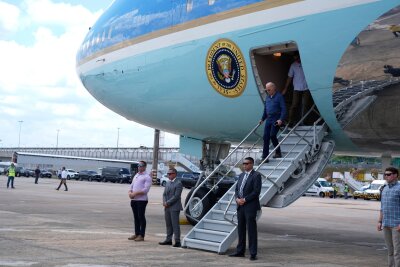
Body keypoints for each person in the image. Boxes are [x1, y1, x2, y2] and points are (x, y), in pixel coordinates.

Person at [229, 157, 262, 261]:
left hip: (250, 206)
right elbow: (237, 189)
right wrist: (237, 199)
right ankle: (240, 251)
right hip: (240, 206)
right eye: (243, 164)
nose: (244, 166)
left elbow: (256, 191)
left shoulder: (256, 175)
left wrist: (245, 199)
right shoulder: (241, 175)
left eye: (246, 164)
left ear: (252, 164)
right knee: (241, 229)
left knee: (251, 230)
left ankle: (253, 253)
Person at [378, 167, 400, 267]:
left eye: (389, 174)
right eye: (385, 174)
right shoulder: (384, 188)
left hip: (396, 225)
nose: (386, 176)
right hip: (386, 223)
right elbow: (382, 207)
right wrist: (379, 221)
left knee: (397, 251)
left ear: (395, 175)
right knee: (390, 250)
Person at [282, 52, 312, 127]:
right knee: (294, 104)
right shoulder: (293, 65)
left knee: (305, 105)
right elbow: (289, 77)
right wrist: (285, 88)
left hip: (307, 88)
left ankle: (304, 122)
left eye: (297, 58)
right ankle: (291, 122)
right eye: (295, 58)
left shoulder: (307, 63)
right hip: (296, 88)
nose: (296, 59)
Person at [259, 82, 287, 162]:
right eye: (266, 90)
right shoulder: (267, 97)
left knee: (272, 135)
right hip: (269, 118)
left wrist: (281, 119)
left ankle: (278, 152)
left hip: (276, 118)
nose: (267, 91)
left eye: (269, 89)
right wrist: (262, 119)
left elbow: (284, 109)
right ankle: (265, 157)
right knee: (265, 137)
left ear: (273, 88)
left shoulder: (279, 97)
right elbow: (265, 109)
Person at [128, 160, 152, 242]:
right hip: (134, 200)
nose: (139, 167)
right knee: (136, 217)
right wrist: (130, 193)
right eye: (138, 165)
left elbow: (145, 190)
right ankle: (137, 233)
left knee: (141, 217)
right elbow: (131, 185)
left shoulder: (147, 177)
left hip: (141, 200)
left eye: (141, 165)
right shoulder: (136, 175)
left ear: (145, 167)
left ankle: (142, 235)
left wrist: (135, 193)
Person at [159, 168, 183, 247]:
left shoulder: (178, 183)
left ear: (175, 174)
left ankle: (177, 241)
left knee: (175, 224)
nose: (168, 175)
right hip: (167, 207)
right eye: (168, 174)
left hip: (174, 207)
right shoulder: (168, 183)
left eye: (170, 174)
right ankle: (168, 239)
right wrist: (164, 202)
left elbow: (176, 196)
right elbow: (164, 194)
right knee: (168, 224)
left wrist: (168, 203)